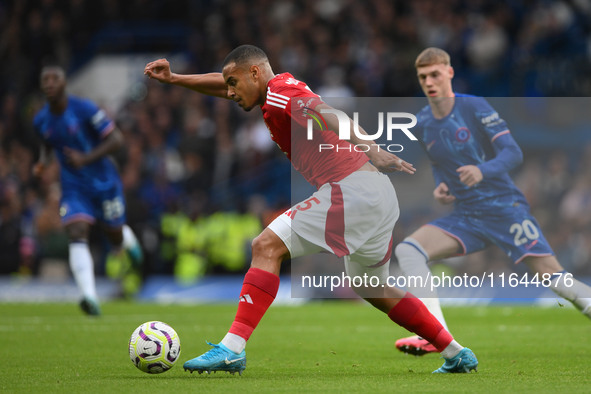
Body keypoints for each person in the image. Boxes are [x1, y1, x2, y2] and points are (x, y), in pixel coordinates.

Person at [144, 44, 478, 375]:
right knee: (373, 286)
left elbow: (331, 115)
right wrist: (175, 79)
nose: (229, 92)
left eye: (234, 83)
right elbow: (223, 81)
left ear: (255, 73)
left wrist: (373, 148)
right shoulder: (274, 88)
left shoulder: (281, 94)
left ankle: (231, 349)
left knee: (265, 246)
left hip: (352, 189)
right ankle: (455, 352)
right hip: (377, 195)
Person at [394, 47, 591, 355]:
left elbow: (513, 152)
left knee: (556, 280)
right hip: (467, 215)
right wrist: (441, 186)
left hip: (503, 208)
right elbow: (437, 163)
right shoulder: (423, 122)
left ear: (449, 73)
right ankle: (437, 336)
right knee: (408, 250)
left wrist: (481, 171)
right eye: (423, 77)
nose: (429, 81)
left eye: (435, 74)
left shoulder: (474, 107)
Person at [33, 65, 143, 316]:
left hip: (104, 181)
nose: (50, 83)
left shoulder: (85, 109)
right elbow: (48, 144)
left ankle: (128, 241)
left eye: (55, 78)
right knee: (77, 230)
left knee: (113, 233)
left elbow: (116, 139)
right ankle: (89, 296)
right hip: (73, 186)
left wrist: (86, 157)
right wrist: (42, 162)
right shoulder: (40, 119)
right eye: (45, 79)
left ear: (64, 83)